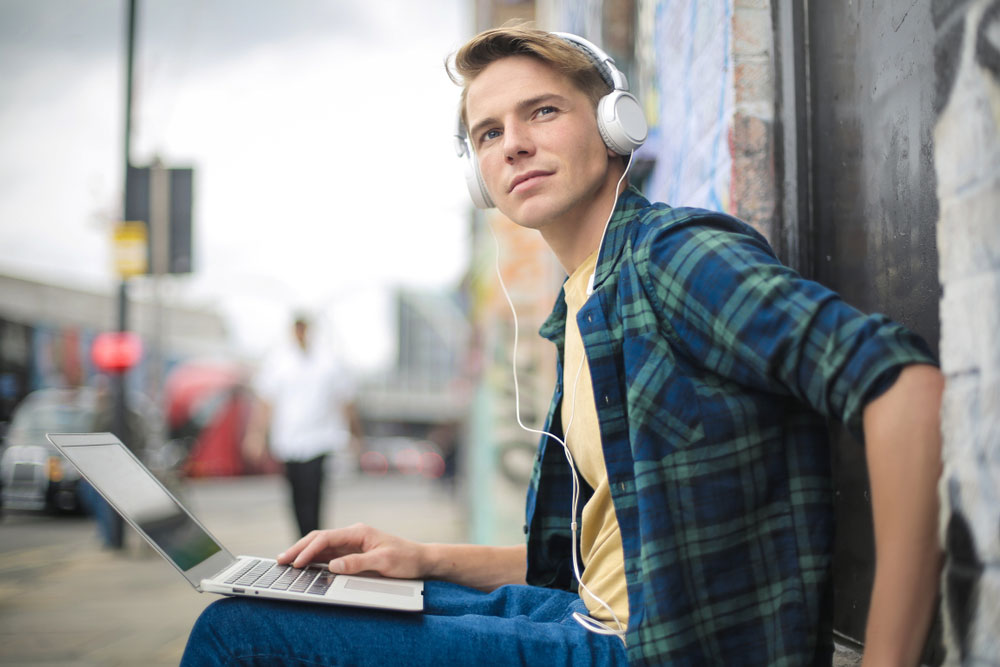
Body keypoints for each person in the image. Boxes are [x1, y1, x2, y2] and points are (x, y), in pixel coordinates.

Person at [182, 26, 943, 666]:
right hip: (587, 619)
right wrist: (422, 556)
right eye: (489, 133)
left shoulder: (670, 257)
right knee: (332, 593)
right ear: (479, 174)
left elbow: (903, 384)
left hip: (648, 648)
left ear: (616, 124)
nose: (514, 146)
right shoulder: (579, 302)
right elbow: (598, 568)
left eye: (542, 112)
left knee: (238, 634)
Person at [243, 314, 362, 537]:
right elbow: (265, 402)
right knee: (296, 495)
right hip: (288, 440)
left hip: (319, 439)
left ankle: (313, 538)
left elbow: (346, 400)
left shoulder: (329, 361)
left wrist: (355, 434)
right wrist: (256, 435)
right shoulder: (278, 361)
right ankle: (302, 539)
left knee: (313, 492)